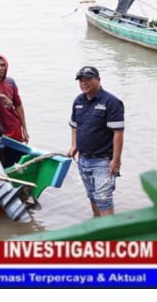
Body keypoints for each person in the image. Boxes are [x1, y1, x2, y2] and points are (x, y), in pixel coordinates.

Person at [67, 66, 124, 217]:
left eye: (88, 79)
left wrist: (116, 160)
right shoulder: (78, 101)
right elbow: (74, 126)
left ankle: (109, 230)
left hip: (103, 161)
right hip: (83, 159)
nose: (84, 83)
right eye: (81, 80)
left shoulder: (111, 102)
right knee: (92, 196)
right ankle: (98, 225)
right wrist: (74, 145)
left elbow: (118, 132)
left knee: (104, 199)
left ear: (98, 80)